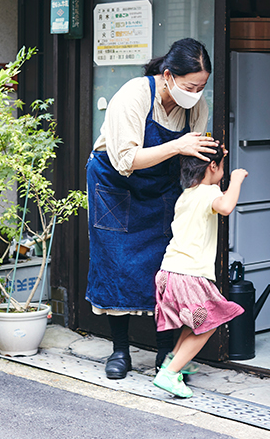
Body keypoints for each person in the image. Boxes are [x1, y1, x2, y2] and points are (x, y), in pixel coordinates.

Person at [85, 38, 218, 380]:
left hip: (162, 185)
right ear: (169, 75)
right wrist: (179, 145)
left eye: (202, 86)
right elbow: (126, 159)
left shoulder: (195, 107)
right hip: (116, 186)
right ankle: (119, 350)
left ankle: (165, 353)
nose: (197, 93)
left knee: (167, 268)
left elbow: (192, 157)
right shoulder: (134, 95)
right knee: (117, 263)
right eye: (191, 86)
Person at [152, 143, 248, 398]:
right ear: (212, 167)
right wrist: (236, 179)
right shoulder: (207, 193)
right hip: (189, 275)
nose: (224, 172)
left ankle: (173, 363)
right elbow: (226, 206)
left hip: (169, 272)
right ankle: (170, 373)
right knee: (208, 325)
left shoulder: (187, 194)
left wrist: (218, 158)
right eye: (221, 166)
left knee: (194, 322)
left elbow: (214, 192)